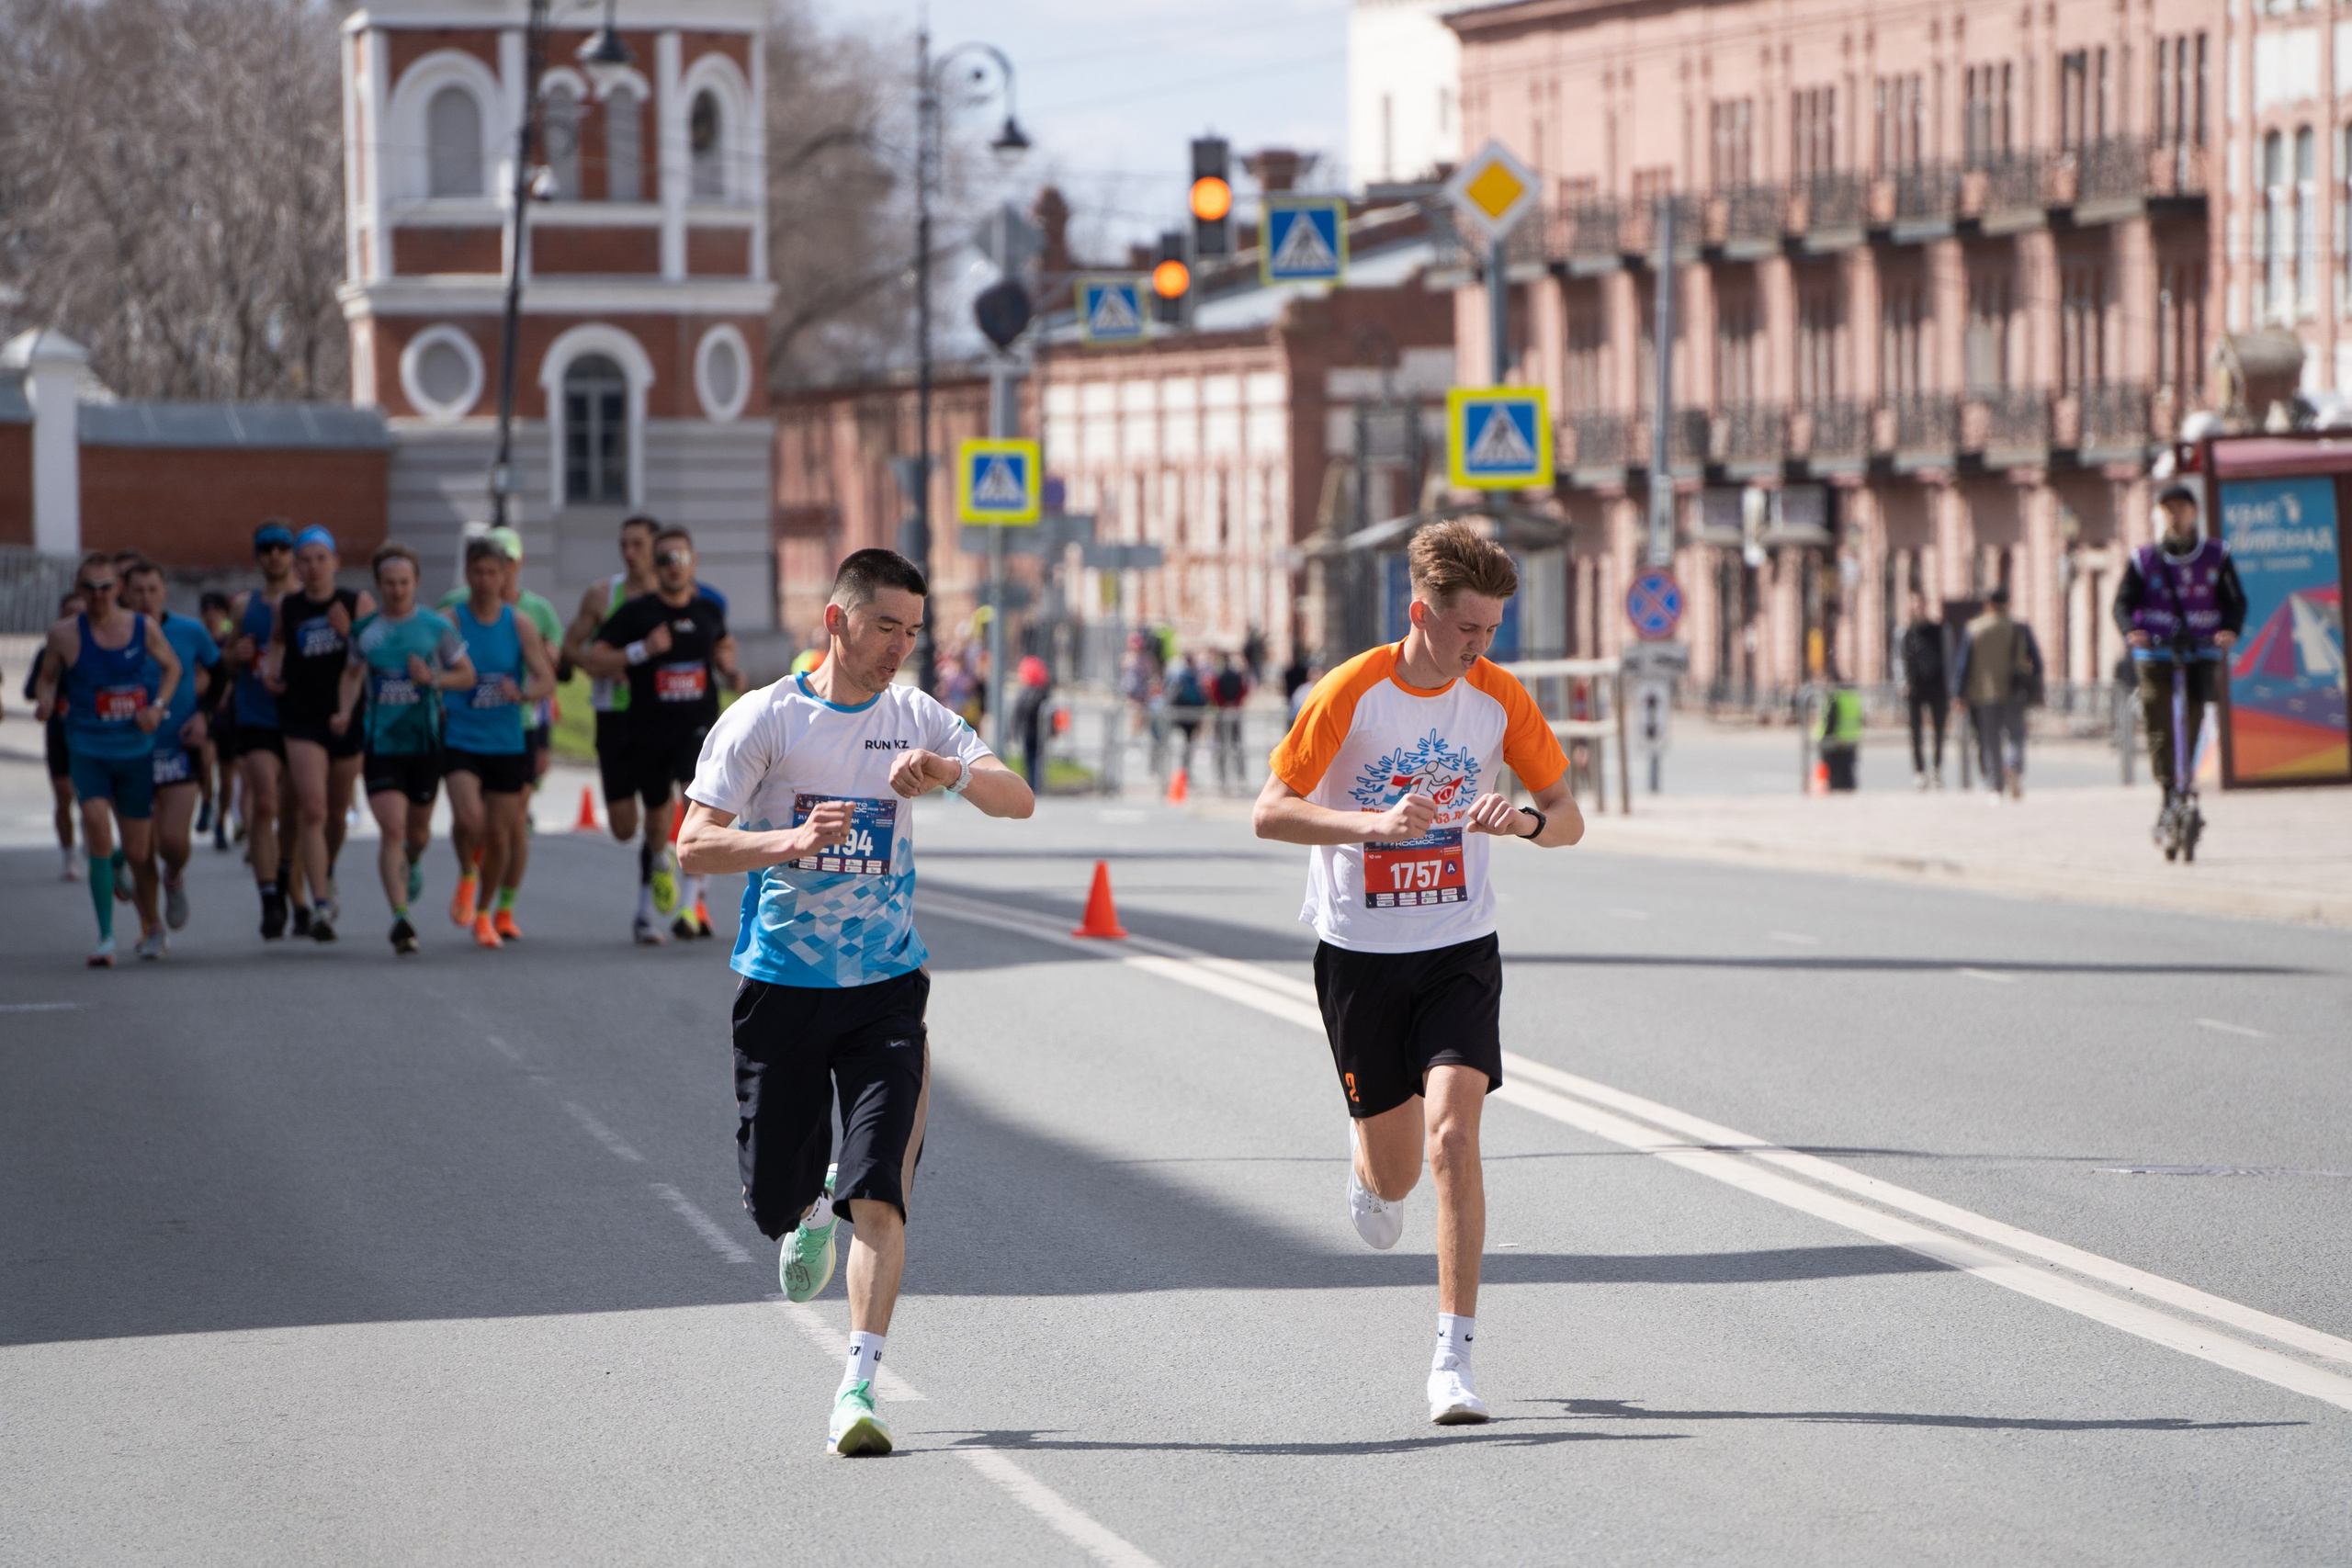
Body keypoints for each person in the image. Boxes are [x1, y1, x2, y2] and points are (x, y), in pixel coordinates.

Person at [674, 547, 1034, 1457]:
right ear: (836, 620)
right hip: (781, 988)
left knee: (883, 1194)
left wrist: (950, 774)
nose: (898, 649)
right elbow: (692, 847)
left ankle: (857, 1386)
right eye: (884, 627)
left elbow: (1018, 799)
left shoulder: (915, 715)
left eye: (912, 632)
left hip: (884, 989)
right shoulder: (765, 719)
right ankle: (803, 1205)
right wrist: (788, 839)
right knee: (775, 1197)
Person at [1250, 520, 1582, 1426]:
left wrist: (1518, 823)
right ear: (1420, 614)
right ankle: (1365, 1169)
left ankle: (1453, 1359)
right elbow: (1269, 812)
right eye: (1467, 629)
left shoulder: (1499, 698)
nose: (1481, 648)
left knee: (1453, 1142)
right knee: (1395, 1174)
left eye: (1490, 632)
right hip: (1360, 956)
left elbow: (1568, 817)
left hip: (1457, 949)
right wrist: (1370, 826)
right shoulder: (1351, 692)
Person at [584, 525, 739, 943]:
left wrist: (729, 666)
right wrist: (641, 651)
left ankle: (689, 907)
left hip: (698, 727)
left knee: (697, 805)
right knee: (655, 823)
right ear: (656, 566)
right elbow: (595, 657)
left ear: (694, 562)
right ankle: (655, 874)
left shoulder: (708, 610)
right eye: (666, 559)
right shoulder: (637, 613)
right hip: (648, 729)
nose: (675, 566)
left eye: (682, 558)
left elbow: (723, 644)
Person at [34, 553, 181, 965]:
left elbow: (172, 668)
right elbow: (47, 677)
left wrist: (157, 708)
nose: (98, 597)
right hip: (88, 749)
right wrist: (47, 701)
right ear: (80, 591)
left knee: (137, 851)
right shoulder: (64, 634)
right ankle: (105, 937)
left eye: (105, 588)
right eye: (89, 588)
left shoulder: (141, 627)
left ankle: (134, 894)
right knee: (97, 828)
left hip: (134, 751)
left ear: (117, 589)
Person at [343, 543, 473, 955]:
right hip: (381, 742)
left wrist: (433, 678)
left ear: (415, 583)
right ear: (379, 585)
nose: (397, 590)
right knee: (392, 830)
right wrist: (344, 711)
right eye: (389, 583)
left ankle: (413, 862)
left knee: (416, 834)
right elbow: (351, 674)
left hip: (424, 743)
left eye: (404, 583)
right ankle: (400, 916)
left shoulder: (436, 628)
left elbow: (466, 676)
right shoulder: (365, 630)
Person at [442, 536, 557, 949]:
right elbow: (424, 654)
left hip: (507, 739)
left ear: (505, 575)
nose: (486, 580)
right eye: (478, 572)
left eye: (493, 572)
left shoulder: (519, 623)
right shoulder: (450, 620)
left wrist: (523, 693)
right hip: (460, 734)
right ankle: (467, 875)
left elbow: (546, 679)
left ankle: (486, 912)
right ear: (468, 574)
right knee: (469, 820)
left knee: (500, 835)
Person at [2114, 480, 2246, 827]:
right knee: (2158, 721)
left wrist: (2229, 629)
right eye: (2168, 509)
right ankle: (2168, 789)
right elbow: (2123, 603)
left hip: (2200, 650)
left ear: (2194, 512)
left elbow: (2235, 601)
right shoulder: (2144, 560)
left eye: (2181, 508)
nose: (2175, 516)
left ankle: (2186, 780)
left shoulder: (2217, 556)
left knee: (2193, 715)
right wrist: (2132, 630)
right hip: (2154, 653)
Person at [269, 526, 374, 942]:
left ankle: (326, 869)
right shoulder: (288, 606)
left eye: (320, 559)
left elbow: (376, 653)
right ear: (297, 566)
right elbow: (277, 644)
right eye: (305, 560)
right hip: (302, 717)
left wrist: (351, 632)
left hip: (345, 716)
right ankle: (321, 907)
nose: (313, 568)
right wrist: (269, 671)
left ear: (335, 562)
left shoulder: (356, 601)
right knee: (311, 811)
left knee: (334, 813)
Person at [122, 559, 220, 941]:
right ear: (125, 595)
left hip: (179, 745)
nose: (145, 598)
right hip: (128, 749)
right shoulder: (113, 634)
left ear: (164, 592)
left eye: (152, 590)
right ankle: (151, 928)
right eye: (138, 591)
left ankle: (175, 877)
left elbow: (220, 672)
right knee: (139, 849)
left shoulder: (189, 631)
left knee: (173, 843)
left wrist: (205, 717)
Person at [222, 520, 303, 937]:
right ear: (258, 555)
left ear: (293, 553)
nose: (275, 555)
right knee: (266, 803)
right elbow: (228, 658)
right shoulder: (243, 605)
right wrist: (235, 653)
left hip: (299, 715)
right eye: (266, 547)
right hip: (255, 712)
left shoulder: (307, 601)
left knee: (295, 809)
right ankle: (270, 897)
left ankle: (290, 877)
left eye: (282, 547)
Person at [1951, 585, 2041, 802]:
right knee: (2017, 736)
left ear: (1988, 604)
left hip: (1984, 693)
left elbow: (1964, 664)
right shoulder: (2019, 628)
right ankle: (2013, 765)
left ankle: (1995, 786)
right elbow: (2037, 662)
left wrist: (1959, 694)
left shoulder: (1974, 629)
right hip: (2014, 692)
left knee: (1990, 741)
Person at [24, 591, 84, 881]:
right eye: (67, 614)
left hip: (91, 733)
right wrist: (45, 698)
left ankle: (95, 840)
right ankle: (69, 855)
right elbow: (31, 690)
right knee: (64, 796)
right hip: (59, 732)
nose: (73, 620)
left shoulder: (98, 649)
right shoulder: (48, 652)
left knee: (93, 797)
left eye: (79, 614)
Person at [196, 590, 237, 846]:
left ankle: (222, 821)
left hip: (229, 713)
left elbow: (232, 672)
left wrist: (225, 693)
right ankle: (207, 802)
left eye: (216, 612)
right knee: (204, 759)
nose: (211, 617)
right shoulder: (199, 640)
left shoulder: (230, 640)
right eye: (207, 613)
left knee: (227, 773)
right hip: (206, 710)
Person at [1897, 594, 1949, 789]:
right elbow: (1899, 658)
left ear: (1925, 606)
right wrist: (1902, 682)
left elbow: (1947, 655)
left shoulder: (1938, 630)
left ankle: (1936, 768)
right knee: (1915, 732)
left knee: (1939, 731)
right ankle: (1920, 771)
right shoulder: (1905, 632)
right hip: (1915, 688)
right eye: (1913, 606)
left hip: (1937, 686)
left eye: (1919, 605)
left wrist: (1950, 686)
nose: (1916, 609)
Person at [1210, 649, 1251, 794]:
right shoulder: (1236, 675)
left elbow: (1214, 692)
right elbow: (1243, 690)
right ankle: (1240, 775)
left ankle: (1222, 775)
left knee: (1222, 744)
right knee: (1237, 744)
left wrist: (1223, 703)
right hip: (1234, 711)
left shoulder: (1219, 675)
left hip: (1222, 712)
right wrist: (1234, 703)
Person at [1012, 652, 1052, 788]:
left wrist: (1015, 730)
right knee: (1032, 759)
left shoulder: (1030, 693)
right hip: (1032, 731)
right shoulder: (1042, 691)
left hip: (1032, 731)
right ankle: (1033, 784)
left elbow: (1020, 712)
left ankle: (1034, 785)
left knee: (1033, 759)